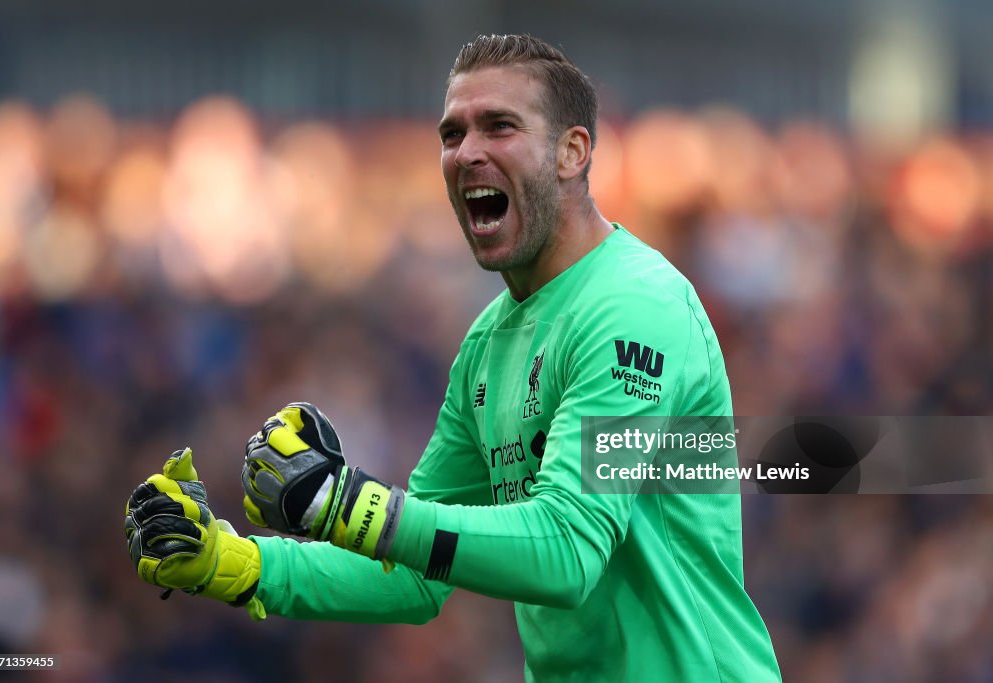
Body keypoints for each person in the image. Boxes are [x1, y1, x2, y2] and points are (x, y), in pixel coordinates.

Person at [125, 34, 782, 682]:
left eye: (499, 127)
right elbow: (415, 575)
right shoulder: (489, 341)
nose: (467, 152)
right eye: (452, 133)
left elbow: (568, 552)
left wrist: (350, 503)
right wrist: (233, 562)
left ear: (572, 152)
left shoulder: (633, 307)